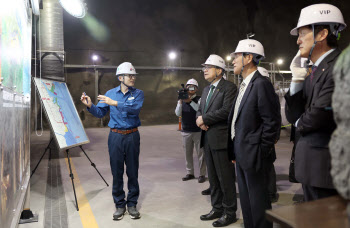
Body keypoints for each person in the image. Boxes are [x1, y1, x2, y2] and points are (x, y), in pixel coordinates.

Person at [284, 3, 346, 202]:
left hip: (326, 169)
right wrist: (296, 80)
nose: (298, 41)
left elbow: (317, 116)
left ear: (321, 34)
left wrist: (299, 122)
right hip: (312, 167)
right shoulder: (313, 70)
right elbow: (293, 115)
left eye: (302, 34)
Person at [228, 39, 281, 228]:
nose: (233, 60)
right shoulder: (244, 85)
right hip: (242, 153)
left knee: (258, 203)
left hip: (254, 155)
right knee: (247, 202)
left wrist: (261, 151)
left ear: (248, 57)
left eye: (236, 56)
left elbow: (272, 122)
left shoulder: (261, 84)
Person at [81, 62, 144, 220]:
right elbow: (100, 112)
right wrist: (90, 106)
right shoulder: (110, 93)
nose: (132, 78)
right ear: (120, 77)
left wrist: (114, 103)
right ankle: (120, 204)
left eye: (133, 75)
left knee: (132, 171)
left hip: (132, 135)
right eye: (129, 75)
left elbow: (134, 108)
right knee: (117, 171)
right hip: (115, 136)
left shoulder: (138, 93)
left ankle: (132, 204)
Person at [197, 54, 238, 227]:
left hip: (221, 140)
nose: (205, 70)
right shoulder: (206, 89)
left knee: (225, 178)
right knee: (213, 177)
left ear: (219, 70)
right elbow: (200, 109)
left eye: (209, 67)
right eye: (204, 67)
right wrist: (200, 118)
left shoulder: (229, 88)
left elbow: (227, 110)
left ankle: (230, 212)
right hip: (207, 138)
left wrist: (205, 119)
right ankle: (217, 208)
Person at [175, 78, 206, 183]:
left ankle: (202, 174)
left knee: (201, 154)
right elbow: (178, 113)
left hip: (198, 131)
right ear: (186, 88)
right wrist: (180, 101)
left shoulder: (200, 99)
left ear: (196, 89)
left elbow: (199, 109)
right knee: (187, 154)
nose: (191, 89)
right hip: (186, 131)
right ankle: (190, 173)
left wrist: (190, 101)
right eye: (189, 87)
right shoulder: (182, 99)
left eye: (193, 87)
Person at [257, 66, 280, 203]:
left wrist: (274, 135)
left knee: (268, 165)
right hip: (263, 135)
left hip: (266, 135)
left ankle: (271, 192)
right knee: (265, 165)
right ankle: (267, 191)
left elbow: (274, 117)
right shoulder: (269, 93)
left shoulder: (271, 94)